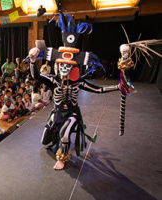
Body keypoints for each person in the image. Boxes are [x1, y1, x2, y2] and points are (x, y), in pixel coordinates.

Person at [28, 14, 119, 170]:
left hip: (72, 113)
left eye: (67, 66)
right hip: (56, 112)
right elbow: (35, 75)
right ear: (57, 66)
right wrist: (32, 61)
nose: (64, 69)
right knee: (45, 142)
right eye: (61, 65)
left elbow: (98, 89)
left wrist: (117, 87)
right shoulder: (53, 81)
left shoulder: (78, 82)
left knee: (65, 134)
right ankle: (53, 140)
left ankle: (62, 158)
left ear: (73, 67)